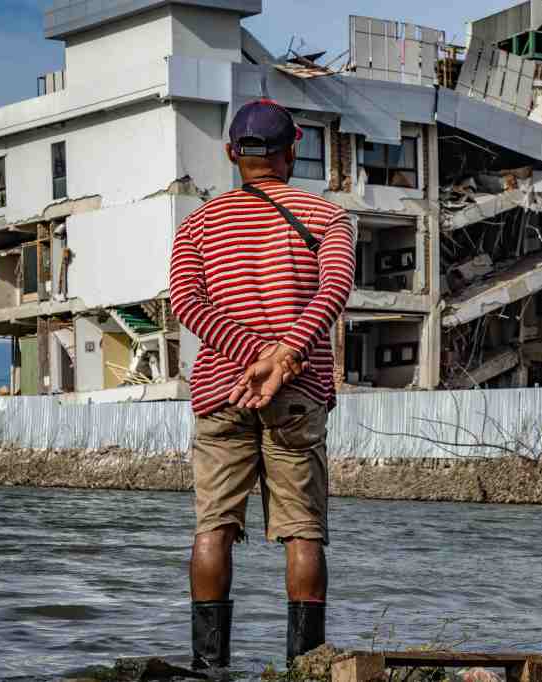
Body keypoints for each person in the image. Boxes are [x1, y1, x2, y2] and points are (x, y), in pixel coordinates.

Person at [169, 99, 355, 670]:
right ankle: (306, 667)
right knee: (302, 531)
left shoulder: (197, 223)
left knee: (214, 527)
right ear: (292, 151)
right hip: (295, 394)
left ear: (232, 154)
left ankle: (208, 668)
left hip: (221, 391)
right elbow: (336, 289)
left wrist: (249, 354)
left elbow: (184, 301)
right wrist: (282, 355)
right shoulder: (327, 216)